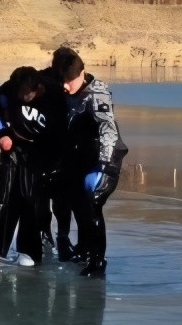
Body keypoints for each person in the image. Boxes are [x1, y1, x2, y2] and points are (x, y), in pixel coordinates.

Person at [0, 66, 64, 269]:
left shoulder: (55, 97)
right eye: (17, 93)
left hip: (41, 149)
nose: (19, 97)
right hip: (14, 144)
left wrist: (52, 163)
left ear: (37, 89)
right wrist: (3, 134)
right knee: (0, 195)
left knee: (31, 199)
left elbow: (60, 136)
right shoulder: (9, 89)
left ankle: (28, 251)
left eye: (24, 94)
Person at [51, 46, 128, 277]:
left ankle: (97, 261)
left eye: (69, 82)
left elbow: (108, 130)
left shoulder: (97, 95)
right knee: (77, 203)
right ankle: (84, 249)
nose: (65, 86)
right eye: (62, 81)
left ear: (82, 74)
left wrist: (104, 167)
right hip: (82, 159)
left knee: (92, 205)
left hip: (105, 160)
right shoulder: (67, 89)